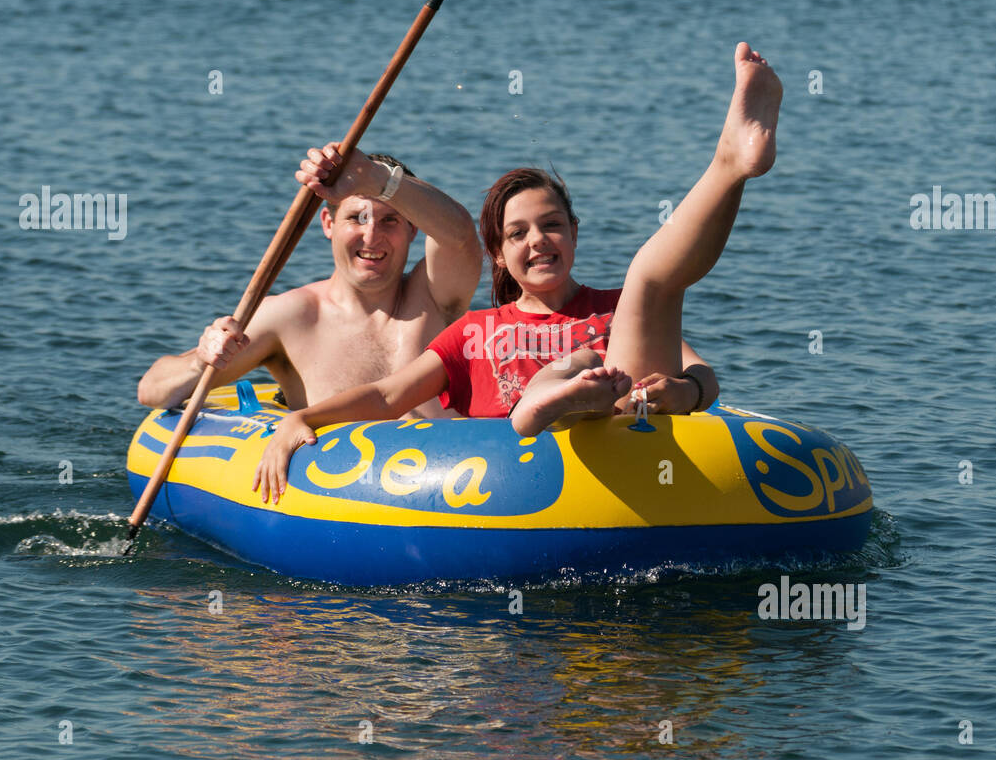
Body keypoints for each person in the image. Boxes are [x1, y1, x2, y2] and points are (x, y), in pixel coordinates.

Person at [253, 42, 783, 503]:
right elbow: (390, 396)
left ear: (574, 233)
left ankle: (733, 164)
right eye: (518, 234)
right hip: (516, 483)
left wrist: (683, 393)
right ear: (499, 256)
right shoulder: (474, 332)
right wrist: (305, 418)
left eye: (552, 226)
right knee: (627, 305)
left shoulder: (618, 311)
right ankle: (555, 400)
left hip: (631, 451)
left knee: (648, 283)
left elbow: (702, 375)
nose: (538, 241)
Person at [136, 144, 482, 417]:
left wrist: (376, 179)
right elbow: (152, 389)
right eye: (357, 218)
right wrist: (202, 359)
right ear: (328, 224)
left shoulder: (435, 297)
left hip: (449, 493)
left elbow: (461, 238)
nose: (372, 236)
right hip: (335, 500)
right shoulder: (290, 318)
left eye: (390, 220)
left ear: (413, 228)